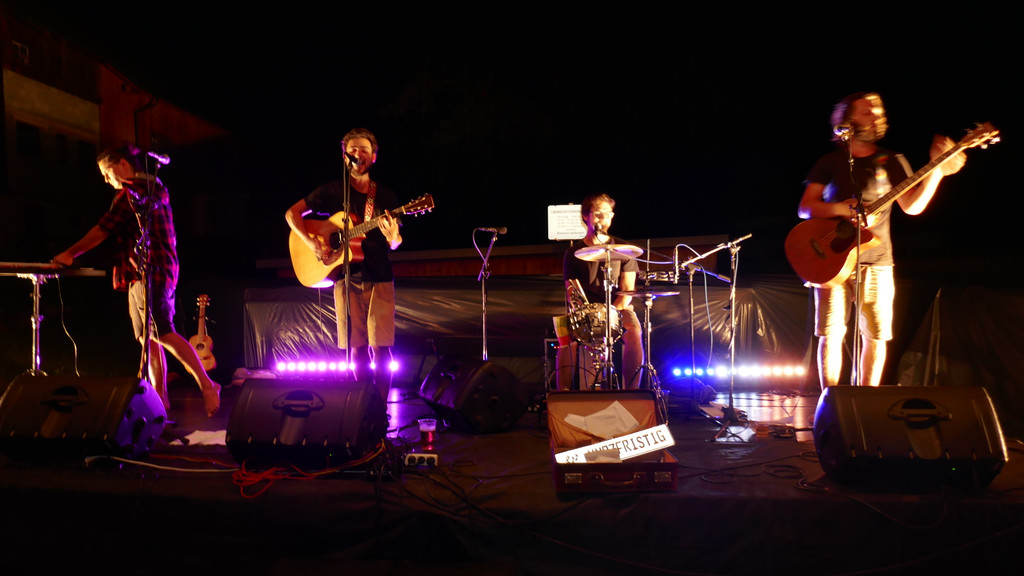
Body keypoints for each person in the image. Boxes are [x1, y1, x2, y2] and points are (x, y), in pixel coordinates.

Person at [798, 92, 965, 389]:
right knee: (831, 333)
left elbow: (912, 207)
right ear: (848, 118)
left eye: (878, 111)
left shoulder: (892, 160)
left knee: (876, 335)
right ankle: (831, 401)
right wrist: (841, 208)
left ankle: (867, 400)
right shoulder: (830, 162)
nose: (875, 117)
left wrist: (936, 172)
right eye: (866, 112)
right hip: (831, 260)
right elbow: (805, 208)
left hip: (877, 260)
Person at [53, 145, 221, 416]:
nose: (105, 179)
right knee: (147, 339)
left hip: (153, 271)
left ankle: (207, 384)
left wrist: (70, 253)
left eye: (107, 172)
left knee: (163, 332)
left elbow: (104, 228)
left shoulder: (136, 193)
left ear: (122, 164)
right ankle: (160, 401)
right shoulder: (143, 192)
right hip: (138, 273)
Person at [285, 128, 402, 401]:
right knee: (356, 347)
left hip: (379, 276)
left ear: (374, 156)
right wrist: (311, 243)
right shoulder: (333, 190)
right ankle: (362, 405)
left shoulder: (385, 195)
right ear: (344, 155)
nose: (358, 154)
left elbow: (396, 242)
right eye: (353, 150)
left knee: (380, 347)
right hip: (345, 277)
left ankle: (380, 407)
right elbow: (292, 214)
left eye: (364, 150)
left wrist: (393, 237)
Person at [557, 193, 643, 390]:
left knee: (634, 331)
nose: (604, 218)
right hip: (585, 310)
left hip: (617, 308)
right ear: (585, 216)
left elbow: (627, 291)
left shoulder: (625, 250)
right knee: (565, 335)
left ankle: (632, 390)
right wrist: (589, 315)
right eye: (598, 213)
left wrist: (608, 314)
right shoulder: (572, 253)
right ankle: (562, 394)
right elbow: (572, 292)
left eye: (608, 213)